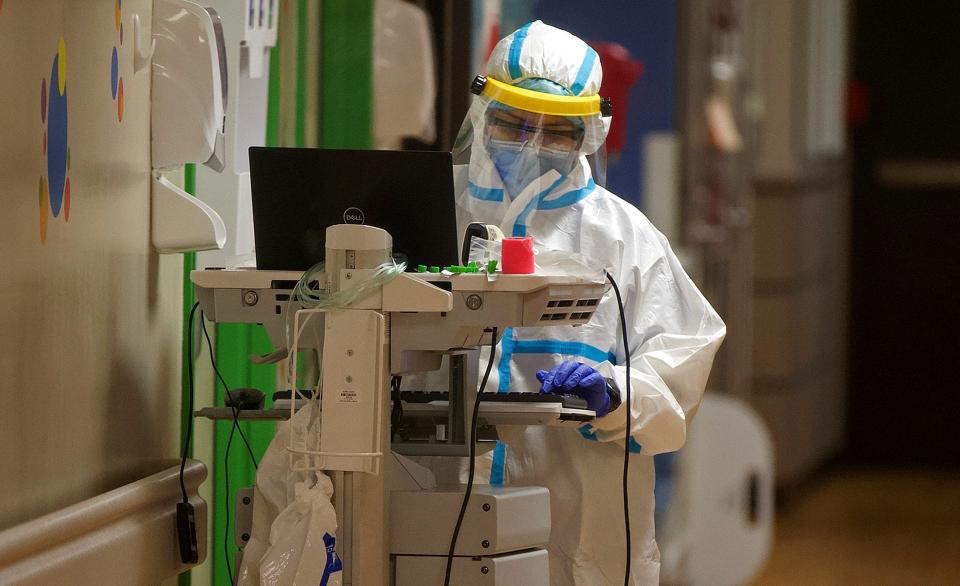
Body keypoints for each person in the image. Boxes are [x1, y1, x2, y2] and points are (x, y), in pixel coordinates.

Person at [452, 21, 726, 585]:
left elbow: (680, 372)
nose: (532, 143)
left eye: (556, 131)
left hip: (573, 526)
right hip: (439, 505)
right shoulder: (435, 209)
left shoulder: (624, 238)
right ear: (484, 113)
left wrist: (617, 392)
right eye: (513, 122)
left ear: (588, 134)